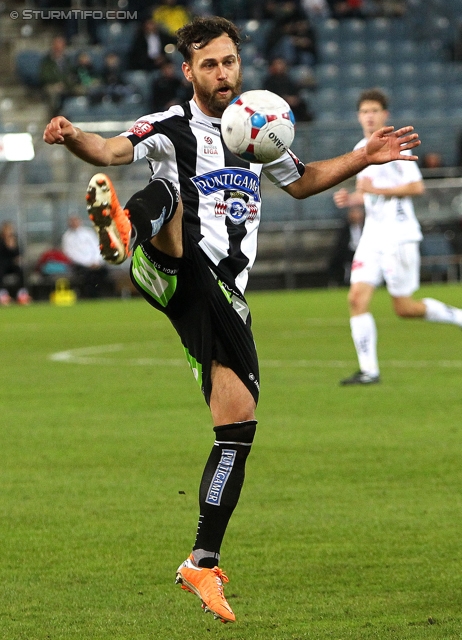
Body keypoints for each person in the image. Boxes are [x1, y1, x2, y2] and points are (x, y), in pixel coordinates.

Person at [43, 17, 420, 623]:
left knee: (237, 425)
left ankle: (201, 562)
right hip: (169, 265)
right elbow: (112, 150)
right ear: (187, 71)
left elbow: (302, 183)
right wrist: (72, 135)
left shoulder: (256, 129)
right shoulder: (170, 124)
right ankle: (121, 229)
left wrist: (361, 155)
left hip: (224, 298)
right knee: (171, 190)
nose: (222, 74)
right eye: (210, 65)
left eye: (229, 62)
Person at [333, 88, 462, 386]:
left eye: (374, 111)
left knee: (404, 308)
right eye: (364, 111)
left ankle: (456, 315)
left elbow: (416, 188)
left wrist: (375, 191)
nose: (369, 116)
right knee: (356, 299)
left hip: (399, 237)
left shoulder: (395, 147)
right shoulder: (360, 147)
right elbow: (369, 195)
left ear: (384, 115)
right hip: (372, 238)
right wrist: (353, 199)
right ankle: (369, 371)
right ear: (358, 116)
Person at [62, 215, 112, 298]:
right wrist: (88, 263)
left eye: (76, 221)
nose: (74, 223)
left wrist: (96, 261)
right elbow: (71, 254)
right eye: (72, 222)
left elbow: (97, 247)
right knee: (88, 275)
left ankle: (101, 294)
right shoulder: (67, 237)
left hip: (95, 262)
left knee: (103, 271)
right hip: (80, 264)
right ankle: (90, 296)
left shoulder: (88, 233)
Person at [263, 57, 314, 122]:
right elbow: (269, 96)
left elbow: (295, 91)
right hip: (276, 107)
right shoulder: (268, 82)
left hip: (292, 106)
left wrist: (295, 99)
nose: (280, 66)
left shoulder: (288, 80)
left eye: (281, 64)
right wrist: (286, 99)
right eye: (277, 64)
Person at [328, 204, 364, 286]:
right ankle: (345, 280)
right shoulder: (345, 228)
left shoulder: (365, 227)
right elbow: (342, 243)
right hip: (349, 252)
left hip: (363, 250)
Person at [39, 35, 75, 116]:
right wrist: (57, 82)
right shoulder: (46, 61)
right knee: (52, 92)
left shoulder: (67, 60)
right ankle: (54, 115)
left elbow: (71, 74)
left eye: (61, 45)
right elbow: (45, 76)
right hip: (52, 85)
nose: (59, 47)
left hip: (66, 85)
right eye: (57, 44)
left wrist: (64, 83)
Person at [0, 221, 32, 305]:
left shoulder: (15, 242)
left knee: (21, 270)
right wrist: (7, 246)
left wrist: (12, 247)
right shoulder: (1, 242)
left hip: (13, 265)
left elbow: (18, 255)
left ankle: (22, 293)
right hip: (3, 264)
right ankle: (2, 294)